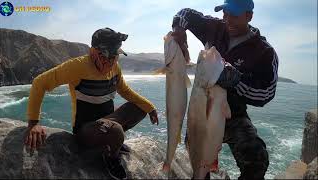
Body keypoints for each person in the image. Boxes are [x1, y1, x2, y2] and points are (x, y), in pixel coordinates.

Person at [24, 27, 159, 180]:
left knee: (140, 108)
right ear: (93, 52)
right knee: (116, 131)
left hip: (108, 122)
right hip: (86, 129)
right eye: (106, 56)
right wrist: (33, 123)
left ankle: (112, 142)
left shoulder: (115, 67)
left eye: (115, 56)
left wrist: (150, 108)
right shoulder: (77, 67)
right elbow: (39, 83)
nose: (110, 62)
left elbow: (125, 91)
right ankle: (111, 157)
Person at [171, 0, 278, 179]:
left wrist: (236, 81)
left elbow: (266, 93)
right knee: (199, 162)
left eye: (234, 16)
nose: (227, 20)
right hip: (200, 110)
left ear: (249, 16)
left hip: (233, 115)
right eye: (225, 14)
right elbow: (186, 13)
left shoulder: (264, 52)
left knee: (257, 160)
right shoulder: (214, 27)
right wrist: (179, 30)